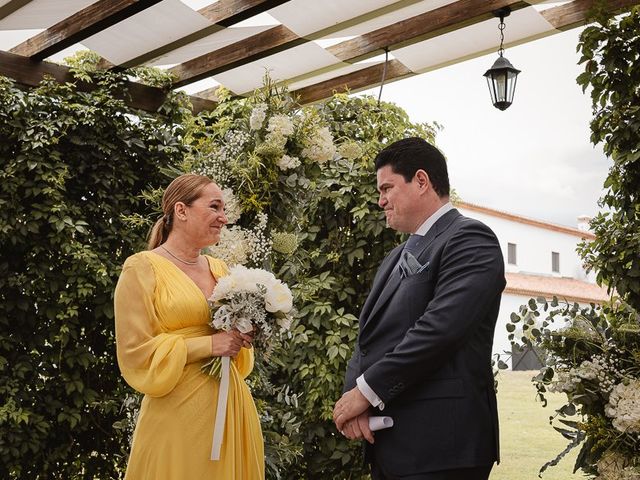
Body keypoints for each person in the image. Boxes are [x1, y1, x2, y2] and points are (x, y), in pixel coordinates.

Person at [333, 138, 506, 480]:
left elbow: (439, 330)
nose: (380, 200)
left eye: (387, 188)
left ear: (422, 181)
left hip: (442, 446)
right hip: (389, 443)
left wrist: (366, 392)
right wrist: (354, 402)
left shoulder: (470, 239)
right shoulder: (395, 257)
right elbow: (368, 338)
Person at [114, 174, 264, 479]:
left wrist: (245, 334)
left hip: (230, 406)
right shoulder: (141, 268)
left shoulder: (221, 270)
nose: (224, 218)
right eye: (214, 207)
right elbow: (135, 352)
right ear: (181, 211)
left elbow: (236, 352)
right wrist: (209, 345)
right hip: (177, 411)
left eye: (224, 209)